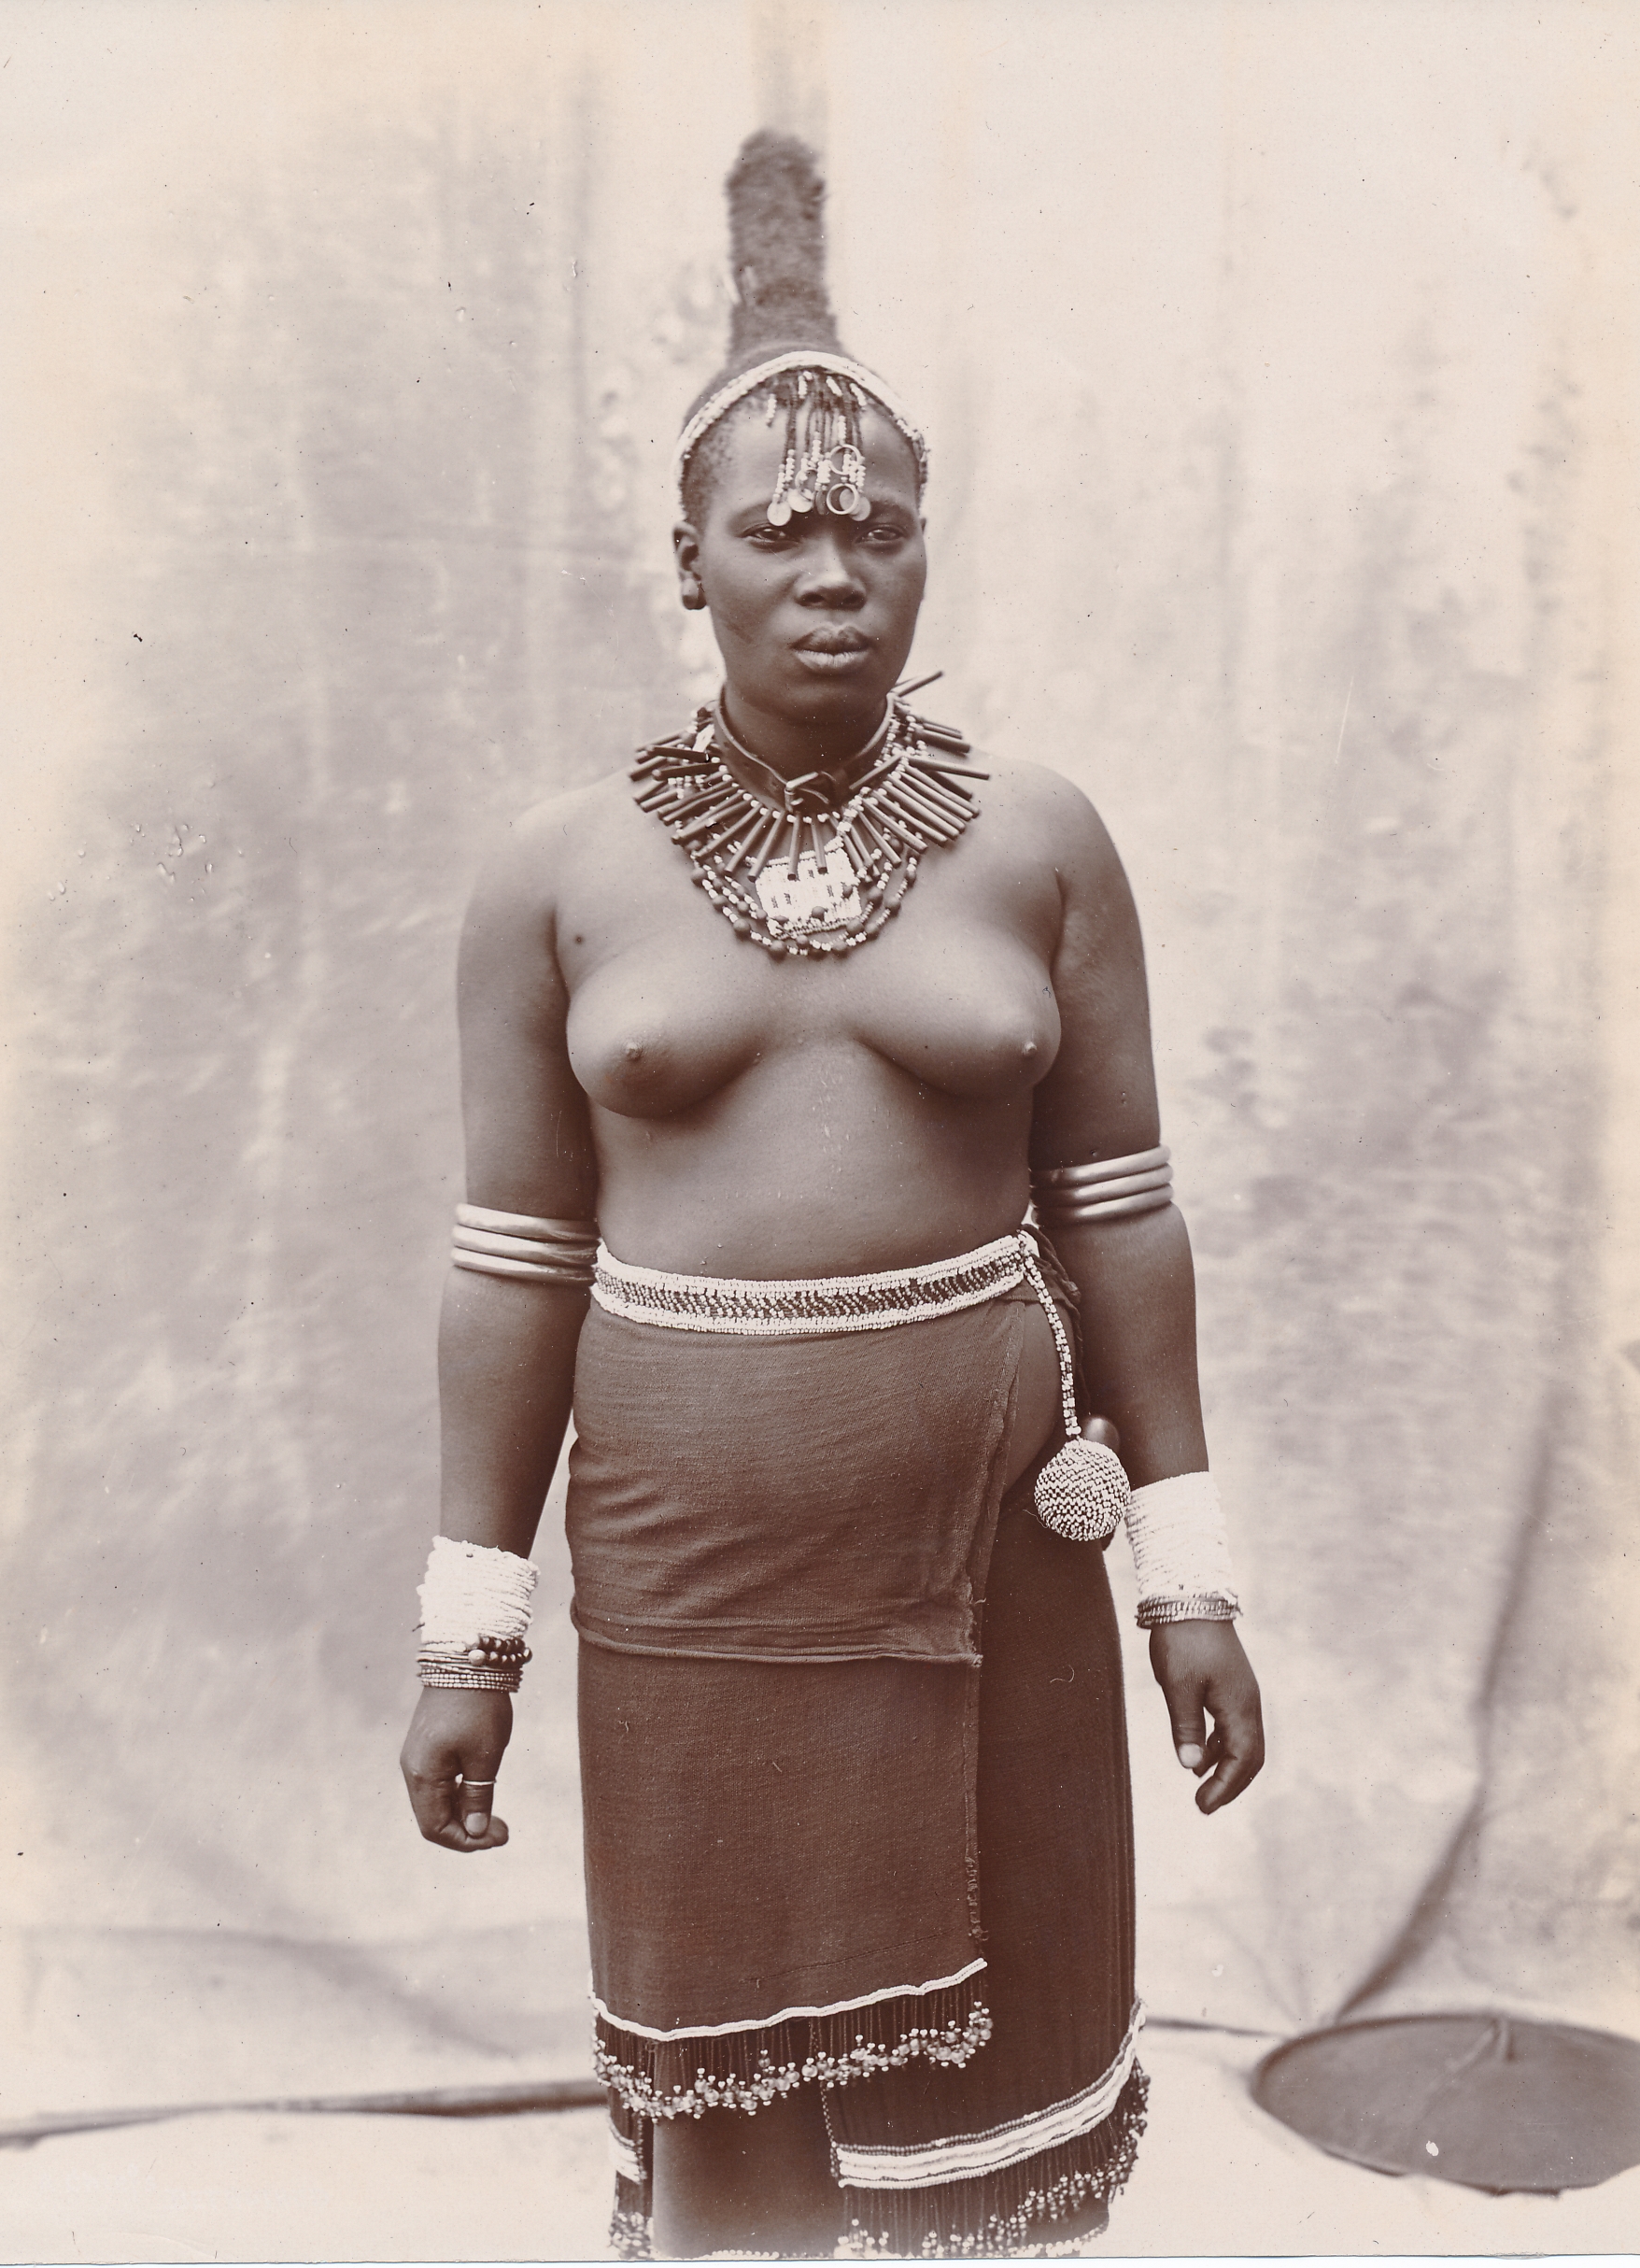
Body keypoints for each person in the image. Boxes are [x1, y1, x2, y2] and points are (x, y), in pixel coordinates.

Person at [399, 132, 1264, 2261]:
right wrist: (469, 1628)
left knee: (987, 2109)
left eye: (879, 528)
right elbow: (514, 1259)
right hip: (691, 1569)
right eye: (778, 528)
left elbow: (1123, 1215)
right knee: (739, 2109)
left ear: (925, 555)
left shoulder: (1040, 842)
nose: (833, 570)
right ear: (685, 559)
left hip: (993, 1547)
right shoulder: (556, 872)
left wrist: (1189, 1577)